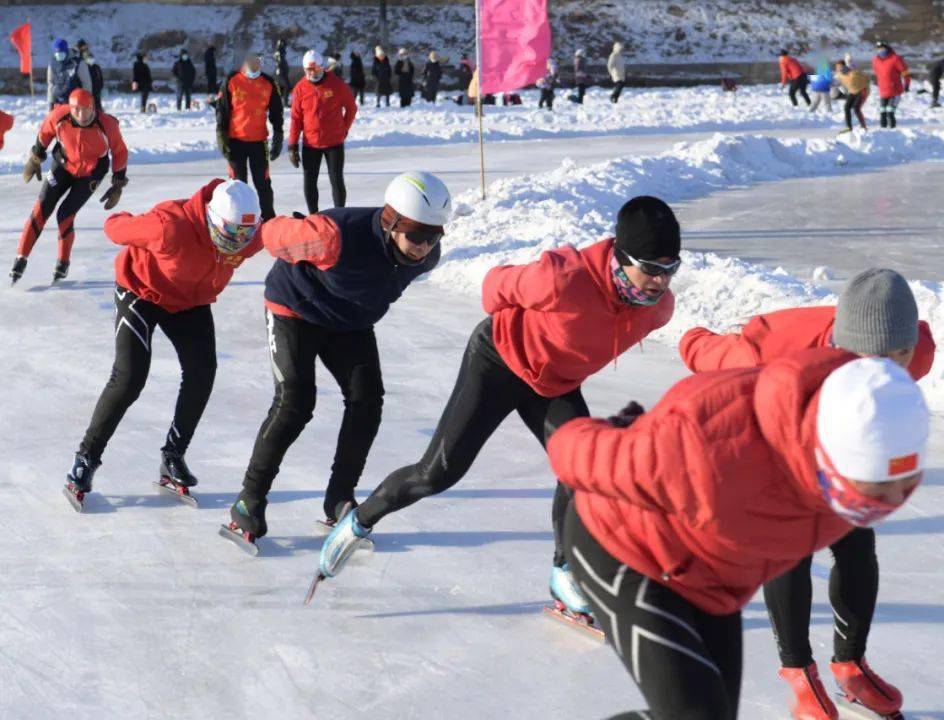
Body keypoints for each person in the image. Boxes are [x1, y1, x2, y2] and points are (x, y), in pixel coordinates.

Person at [317, 197, 682, 616]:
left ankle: (564, 574)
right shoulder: (563, 276)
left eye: (670, 270)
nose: (660, 281)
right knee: (436, 473)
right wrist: (527, 331)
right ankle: (359, 521)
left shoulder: (659, 310)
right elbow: (493, 288)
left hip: (554, 382)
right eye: (651, 268)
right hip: (499, 360)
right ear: (621, 257)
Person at [552, 345, 929, 720]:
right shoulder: (712, 450)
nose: (888, 503)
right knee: (693, 715)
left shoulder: (850, 466)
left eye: (906, 484)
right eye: (874, 491)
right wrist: (627, 439)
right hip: (624, 548)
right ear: (830, 456)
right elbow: (574, 451)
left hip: (714, 580)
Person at [679, 269, 935, 720]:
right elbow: (708, 355)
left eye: (900, 355)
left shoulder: (915, 352)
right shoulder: (781, 349)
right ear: (841, 346)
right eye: (872, 359)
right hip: (775, 448)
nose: (889, 371)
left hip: (839, 445)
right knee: (790, 551)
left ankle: (850, 666)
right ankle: (799, 674)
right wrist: (692, 336)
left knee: (859, 545)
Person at [223, 172, 451, 546]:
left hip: (350, 321)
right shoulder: (332, 236)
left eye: (434, 235)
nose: (425, 246)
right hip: (294, 309)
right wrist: (298, 232)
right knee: (295, 402)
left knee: (367, 400)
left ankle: (339, 497)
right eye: (417, 235)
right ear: (391, 221)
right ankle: (249, 499)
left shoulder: (425, 258)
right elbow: (271, 234)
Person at [63, 180, 267, 508]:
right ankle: (86, 459)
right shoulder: (169, 227)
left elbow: (283, 234)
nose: (235, 246)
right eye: (229, 236)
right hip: (141, 291)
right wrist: (132, 219)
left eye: (244, 237)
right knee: (130, 377)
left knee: (203, 372)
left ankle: (173, 456)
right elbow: (114, 228)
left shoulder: (248, 237)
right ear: (212, 220)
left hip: (189, 301)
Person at [11, 89, 128, 285]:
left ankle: (62, 263)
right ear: (70, 108)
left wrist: (118, 183)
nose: (82, 116)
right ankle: (20, 258)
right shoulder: (58, 116)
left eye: (87, 111)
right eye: (77, 110)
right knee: (41, 209)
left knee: (64, 214)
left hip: (91, 173)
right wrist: (36, 156)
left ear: (94, 108)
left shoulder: (108, 125)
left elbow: (120, 151)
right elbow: (45, 133)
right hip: (63, 165)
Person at [216, 50, 284, 220]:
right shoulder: (231, 80)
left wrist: (278, 136)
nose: (254, 65)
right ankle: (237, 219)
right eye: (250, 62)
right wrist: (221, 137)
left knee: (263, 183)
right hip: (235, 141)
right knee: (238, 185)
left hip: (258, 143)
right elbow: (222, 111)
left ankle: (269, 220)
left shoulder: (268, 83)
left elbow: (277, 112)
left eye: (257, 62)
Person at [288, 50, 356, 215]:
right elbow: (296, 118)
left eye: (316, 70)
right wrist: (292, 145)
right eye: (308, 71)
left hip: (334, 143)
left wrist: (344, 129)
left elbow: (351, 108)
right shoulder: (300, 88)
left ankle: (340, 215)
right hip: (310, 144)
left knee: (336, 180)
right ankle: (314, 215)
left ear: (322, 68)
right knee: (310, 181)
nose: (312, 74)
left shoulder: (337, 84)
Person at [871, 41, 909, 128]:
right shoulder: (875, 60)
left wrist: (906, 84)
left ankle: (893, 132)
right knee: (882, 112)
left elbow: (905, 72)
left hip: (895, 91)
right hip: (883, 91)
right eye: (879, 49)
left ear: (887, 48)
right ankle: (883, 133)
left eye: (883, 49)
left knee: (890, 112)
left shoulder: (895, 59)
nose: (881, 51)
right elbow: (877, 73)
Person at [46, 38, 92, 109]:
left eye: (61, 53)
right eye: (57, 53)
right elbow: (51, 83)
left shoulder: (78, 63)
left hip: (76, 102)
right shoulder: (52, 63)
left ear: (66, 51)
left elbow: (86, 83)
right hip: (58, 102)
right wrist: (51, 102)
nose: (59, 55)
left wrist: (87, 100)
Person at [833, 59, 870, 132]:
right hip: (852, 92)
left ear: (844, 66)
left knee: (857, 108)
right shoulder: (839, 75)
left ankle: (863, 126)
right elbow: (835, 82)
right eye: (837, 67)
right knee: (846, 107)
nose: (839, 68)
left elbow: (865, 78)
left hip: (862, 90)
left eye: (840, 66)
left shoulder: (853, 72)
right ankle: (849, 127)